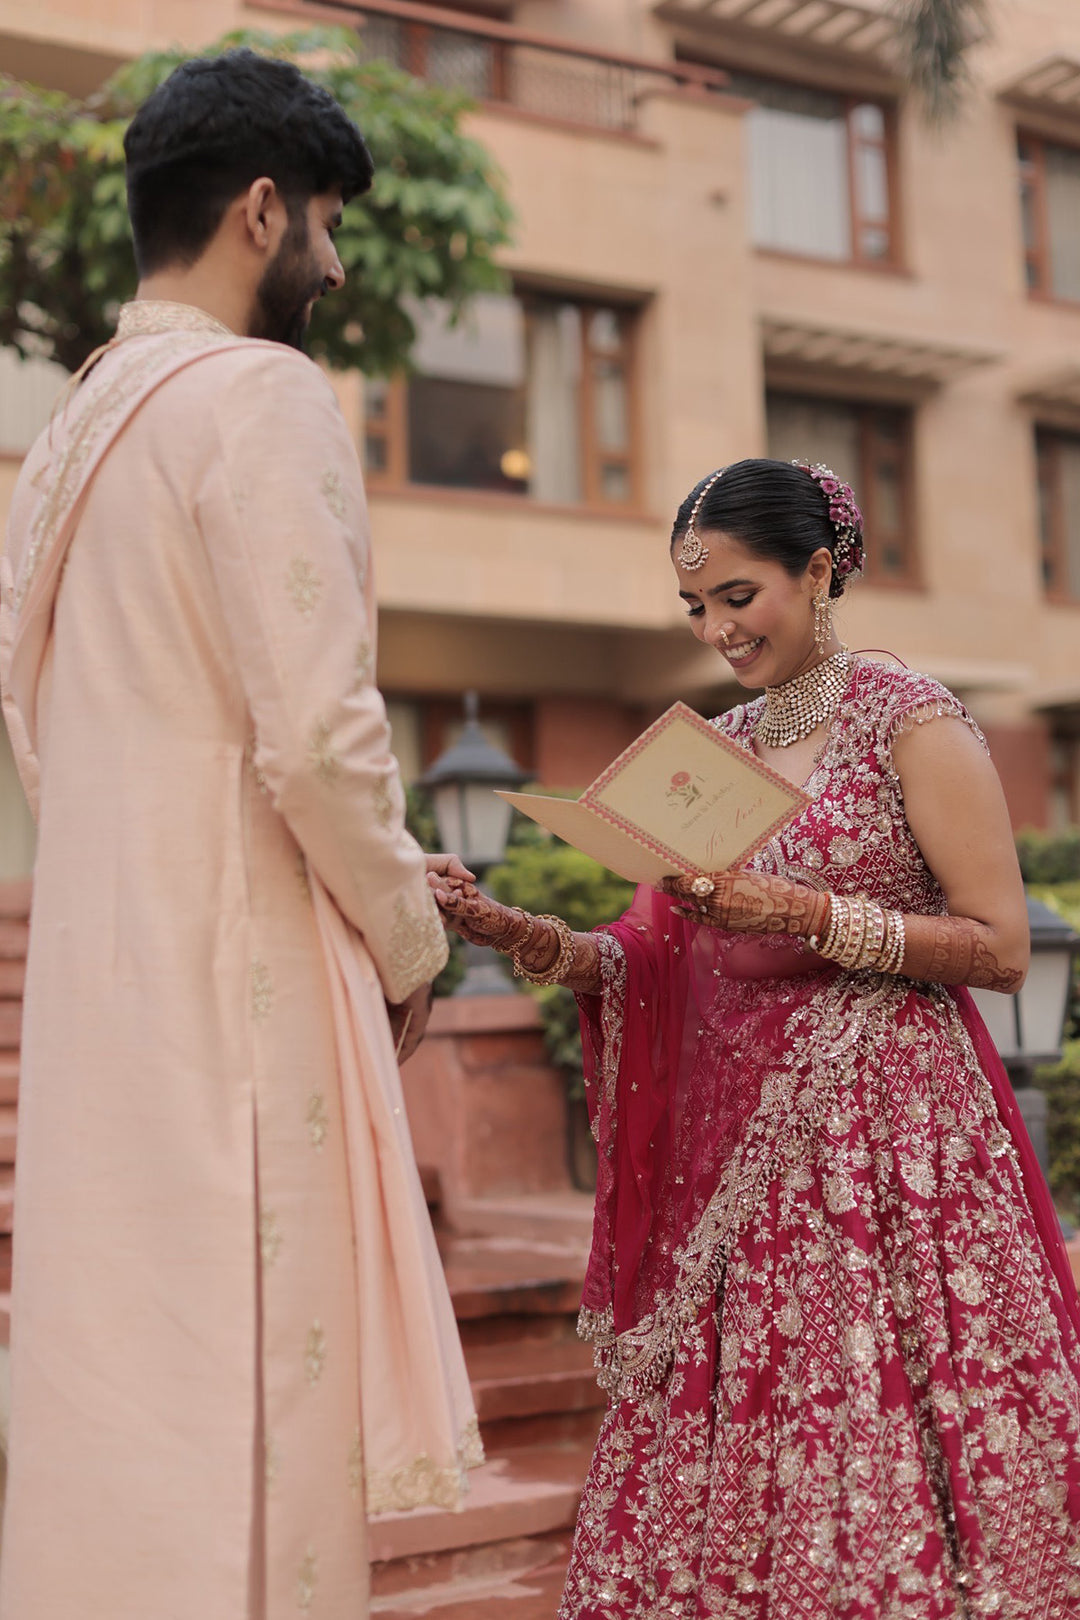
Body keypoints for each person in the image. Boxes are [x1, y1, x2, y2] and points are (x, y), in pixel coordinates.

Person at [0, 50, 480, 1620]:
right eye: (328, 224)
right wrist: (408, 939)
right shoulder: (255, 395)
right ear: (263, 208)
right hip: (237, 984)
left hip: (103, 990)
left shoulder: (76, 429)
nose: (335, 265)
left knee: (121, 1403)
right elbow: (322, 736)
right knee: (253, 1405)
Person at [432, 458, 1080, 1618]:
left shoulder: (909, 718)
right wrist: (516, 932)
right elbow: (653, 957)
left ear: (819, 571)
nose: (717, 628)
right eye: (696, 607)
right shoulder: (710, 748)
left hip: (891, 1144)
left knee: (875, 1419)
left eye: (739, 596)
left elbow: (997, 945)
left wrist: (814, 916)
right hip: (736, 1169)